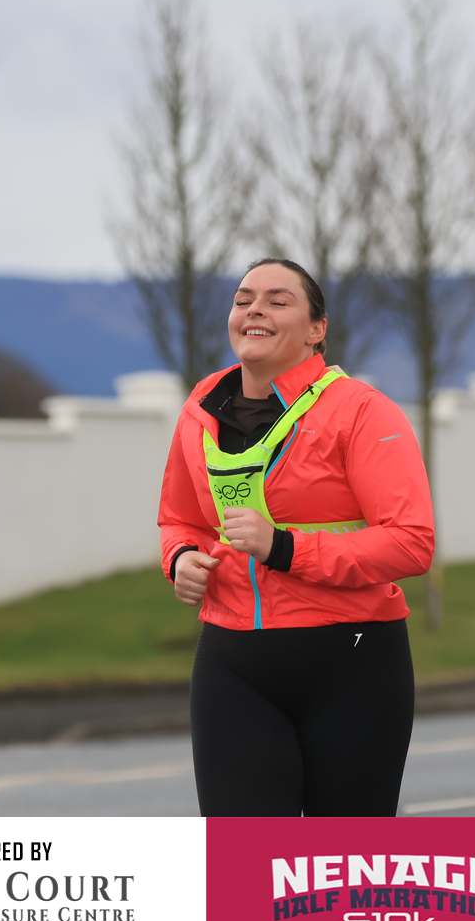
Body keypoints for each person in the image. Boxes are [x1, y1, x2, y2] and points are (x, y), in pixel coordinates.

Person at [156, 257, 435, 816]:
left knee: (341, 860)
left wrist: (284, 548)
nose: (254, 310)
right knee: (243, 857)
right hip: (233, 662)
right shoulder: (200, 410)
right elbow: (179, 518)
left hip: (352, 662)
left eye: (278, 301)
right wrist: (181, 557)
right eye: (243, 300)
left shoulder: (362, 412)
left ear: (316, 329)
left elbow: (411, 541)